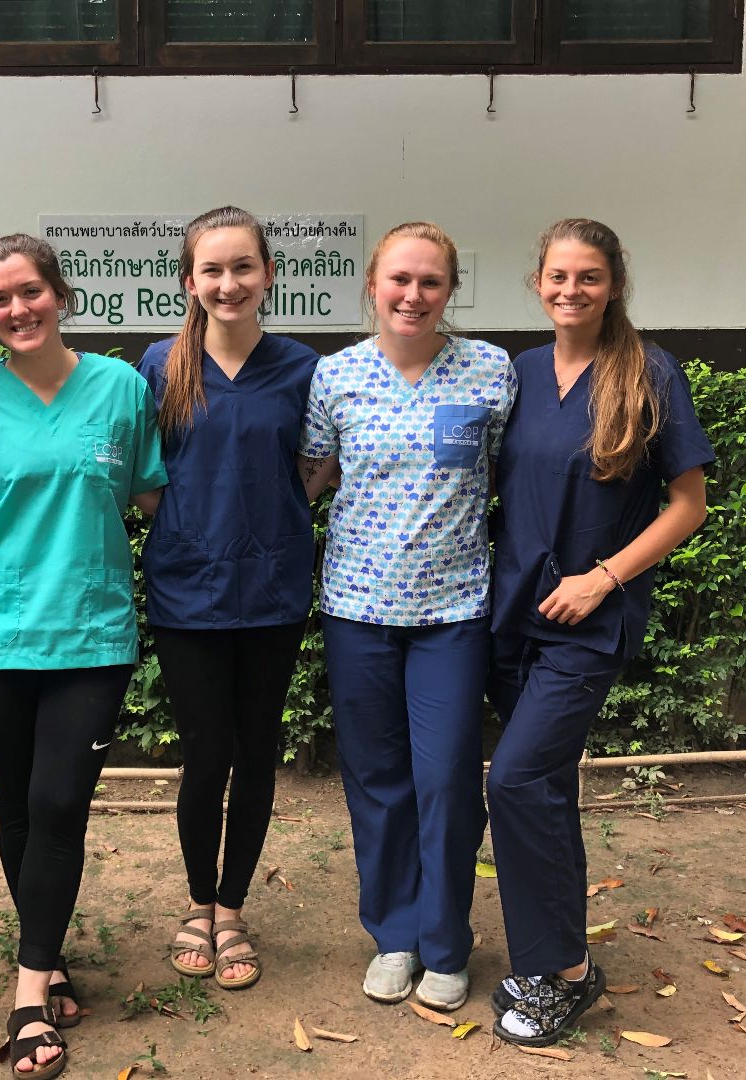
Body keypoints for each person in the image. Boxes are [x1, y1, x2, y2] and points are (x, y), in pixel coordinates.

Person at [0, 234, 167, 1079]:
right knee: (19, 806)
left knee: (61, 800)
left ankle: (28, 995)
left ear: (61, 295)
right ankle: (49, 954)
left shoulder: (120, 388)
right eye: (0, 300)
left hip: (91, 633)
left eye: (30, 291)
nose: (17, 309)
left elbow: (148, 494)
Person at [486, 218, 713, 1046]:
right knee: (543, 790)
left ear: (613, 283)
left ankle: (562, 976)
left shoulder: (649, 373)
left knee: (512, 782)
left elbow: (687, 505)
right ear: (537, 283)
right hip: (512, 618)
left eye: (588, 277)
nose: (570, 291)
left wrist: (604, 577)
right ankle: (567, 956)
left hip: (587, 622)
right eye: (557, 277)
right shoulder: (517, 372)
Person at [297, 222, 516, 1012]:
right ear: (372, 285)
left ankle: (446, 941)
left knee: (450, 779)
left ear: (449, 290)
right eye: (399, 280)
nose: (413, 295)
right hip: (356, 609)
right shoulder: (337, 377)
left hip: (452, 612)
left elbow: (515, 476)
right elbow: (314, 476)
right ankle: (393, 934)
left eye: (429, 282)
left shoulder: (489, 372)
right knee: (378, 781)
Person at [137, 206, 326, 992]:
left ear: (269, 274)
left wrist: (278, 517)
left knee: (256, 755)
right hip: (189, 592)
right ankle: (198, 902)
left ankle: (235, 909)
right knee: (204, 755)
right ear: (189, 281)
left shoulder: (303, 367)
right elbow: (145, 478)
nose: (228, 283)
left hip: (273, 590)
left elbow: (320, 465)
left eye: (243, 267)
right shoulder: (160, 364)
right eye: (211, 270)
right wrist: (188, 528)